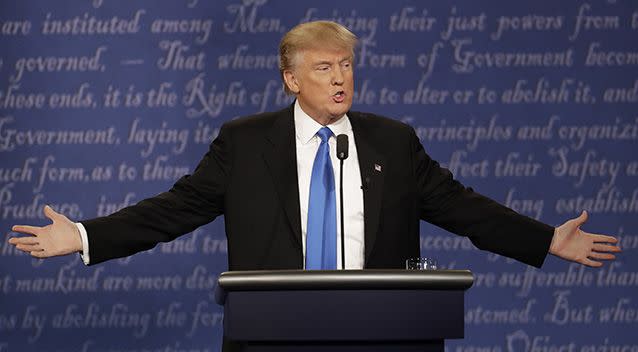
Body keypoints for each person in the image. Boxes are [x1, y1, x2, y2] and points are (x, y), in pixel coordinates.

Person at [9, 21, 620, 273]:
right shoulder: (245, 144)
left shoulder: (392, 141)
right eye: (325, 67)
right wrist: (84, 236)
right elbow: (175, 210)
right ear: (292, 79)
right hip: (272, 332)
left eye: (347, 66)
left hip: (384, 333)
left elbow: (463, 209)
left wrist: (544, 239)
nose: (340, 78)